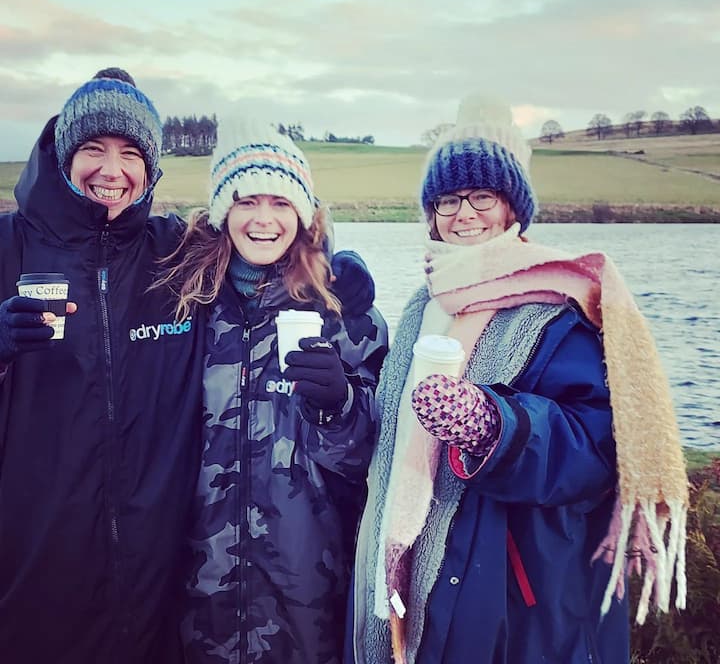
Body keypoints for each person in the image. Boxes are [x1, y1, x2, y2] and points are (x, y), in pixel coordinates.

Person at [0, 69, 378, 664]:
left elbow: (377, 456)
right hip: (87, 579)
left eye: (130, 154)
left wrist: (336, 268)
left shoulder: (188, 263)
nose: (111, 169)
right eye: (94, 148)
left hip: (254, 594)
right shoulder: (23, 248)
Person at [346, 96, 688, 664]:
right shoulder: (423, 306)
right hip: (422, 573)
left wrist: (494, 427)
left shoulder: (559, 307)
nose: (464, 213)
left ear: (513, 210)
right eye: (447, 199)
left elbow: (597, 448)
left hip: (516, 595)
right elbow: (390, 434)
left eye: (483, 196)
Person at [151, 118, 388, 664]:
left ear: (303, 214)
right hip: (192, 598)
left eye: (280, 203)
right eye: (247, 201)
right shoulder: (182, 304)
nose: (263, 219)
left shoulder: (347, 314)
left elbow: (377, 460)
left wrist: (339, 409)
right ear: (222, 211)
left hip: (307, 601)